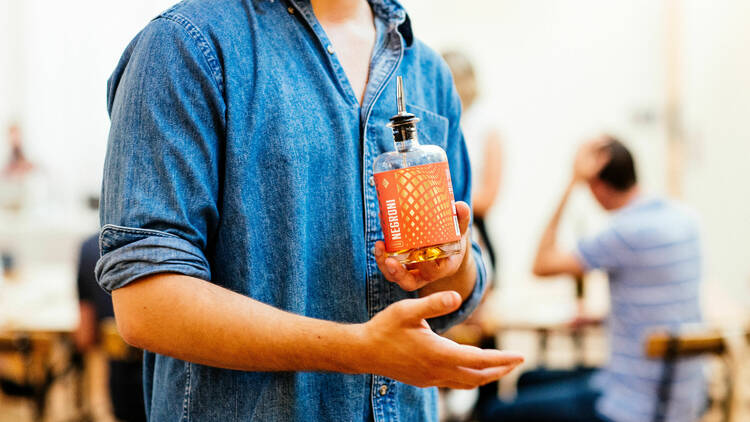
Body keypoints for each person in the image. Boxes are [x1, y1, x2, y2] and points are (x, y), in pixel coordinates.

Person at [96, 1, 523, 421]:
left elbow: (452, 299)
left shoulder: (426, 70)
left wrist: (453, 261)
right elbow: (147, 306)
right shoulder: (184, 44)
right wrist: (359, 350)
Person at [478, 136, 705, 422]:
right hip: (680, 396)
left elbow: (541, 264)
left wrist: (571, 182)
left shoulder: (624, 233)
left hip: (630, 404)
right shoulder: (683, 219)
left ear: (597, 185)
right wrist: (605, 316)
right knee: (529, 379)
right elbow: (661, 301)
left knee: (496, 413)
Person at [442, 51, 503, 274]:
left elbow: (488, 197)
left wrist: (441, 202)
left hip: (474, 228)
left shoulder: (486, 129)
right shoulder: (438, 124)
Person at [74, 234, 146, 422]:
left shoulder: (89, 247)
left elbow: (85, 336)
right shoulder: (167, 244)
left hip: (122, 378)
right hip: (170, 374)